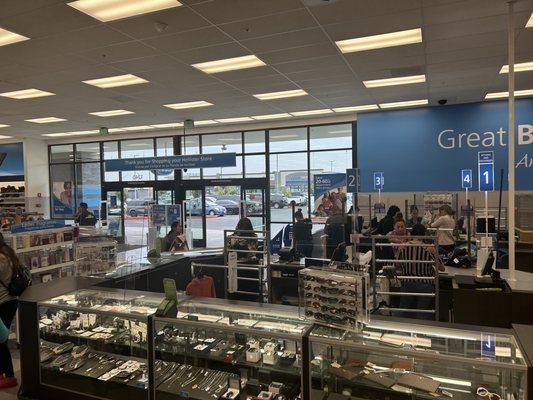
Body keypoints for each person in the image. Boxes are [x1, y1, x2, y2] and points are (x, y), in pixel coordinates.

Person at [397, 224, 444, 320]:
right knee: (422, 312)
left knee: (403, 310)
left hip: (407, 283)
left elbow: (397, 265)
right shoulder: (428, 248)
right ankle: (421, 331)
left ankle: (400, 331)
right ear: (424, 235)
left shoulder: (403, 247)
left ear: (411, 233)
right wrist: (434, 253)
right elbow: (441, 268)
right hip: (425, 284)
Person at [0, 233, 22, 389]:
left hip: (2, 302)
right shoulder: (9, 253)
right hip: (11, 300)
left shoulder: (0, 258)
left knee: (1, 342)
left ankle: (9, 376)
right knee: (2, 340)